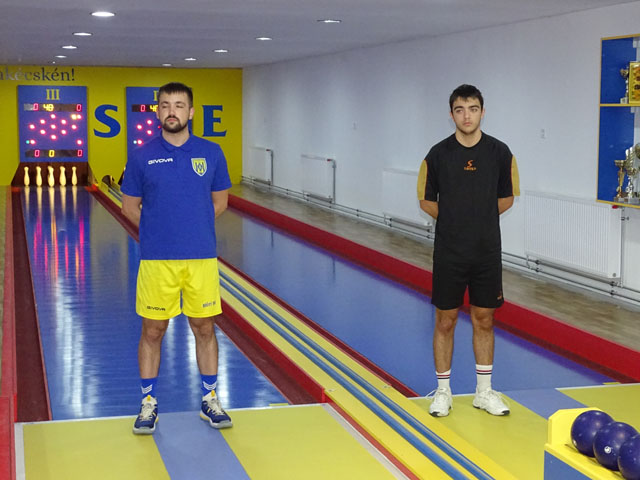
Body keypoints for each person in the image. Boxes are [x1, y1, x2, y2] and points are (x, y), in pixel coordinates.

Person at [121, 82, 233, 434]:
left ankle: (210, 399)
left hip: (201, 257)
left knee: (204, 327)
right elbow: (129, 207)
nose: (172, 111)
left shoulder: (211, 152)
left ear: (191, 111)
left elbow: (220, 202)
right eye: (166, 105)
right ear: (158, 112)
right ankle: (148, 404)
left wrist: (191, 228)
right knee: (153, 330)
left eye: (179, 105)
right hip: (157, 260)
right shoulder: (142, 156)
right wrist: (160, 232)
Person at [417, 84, 520, 417]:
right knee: (445, 320)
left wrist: (478, 220)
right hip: (449, 251)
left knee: (484, 319)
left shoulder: (500, 153)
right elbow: (426, 200)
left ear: (482, 112)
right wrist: (456, 221)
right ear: (451, 115)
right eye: (460, 110)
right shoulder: (437, 155)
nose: (467, 116)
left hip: (486, 251)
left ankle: (484, 392)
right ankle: (443, 392)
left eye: (473, 109)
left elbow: (507, 198)